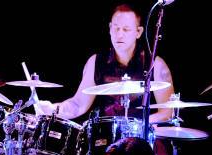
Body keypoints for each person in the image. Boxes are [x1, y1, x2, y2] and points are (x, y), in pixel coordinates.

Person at [38, 2, 174, 123]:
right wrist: (52, 109)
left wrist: (137, 127)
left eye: (126, 29)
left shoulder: (155, 65)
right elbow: (78, 105)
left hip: (142, 142)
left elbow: (167, 112)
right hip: (106, 141)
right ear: (109, 28)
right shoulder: (96, 62)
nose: (119, 34)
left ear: (138, 32)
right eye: (116, 28)